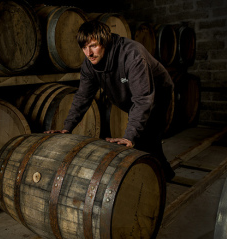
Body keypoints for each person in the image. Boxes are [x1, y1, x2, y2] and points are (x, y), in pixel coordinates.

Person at [44, 20, 175, 181]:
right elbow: (83, 97)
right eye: (84, 47)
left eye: (93, 46)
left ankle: (155, 178)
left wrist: (129, 136)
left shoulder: (132, 55)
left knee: (146, 138)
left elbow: (142, 99)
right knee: (148, 140)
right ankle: (165, 173)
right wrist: (67, 127)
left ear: (104, 41)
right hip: (133, 97)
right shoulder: (89, 64)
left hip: (157, 93)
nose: (88, 53)